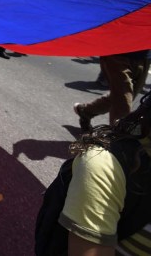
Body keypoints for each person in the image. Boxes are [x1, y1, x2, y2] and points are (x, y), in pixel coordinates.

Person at [61, 90, 151, 255]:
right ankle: (120, 130)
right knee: (124, 94)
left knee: (128, 91)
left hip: (140, 63)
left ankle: (86, 111)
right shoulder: (105, 166)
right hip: (118, 62)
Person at [73, 0, 151, 132]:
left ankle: (86, 111)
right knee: (124, 103)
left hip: (144, 55)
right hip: (116, 55)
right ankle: (116, 146)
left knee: (123, 96)